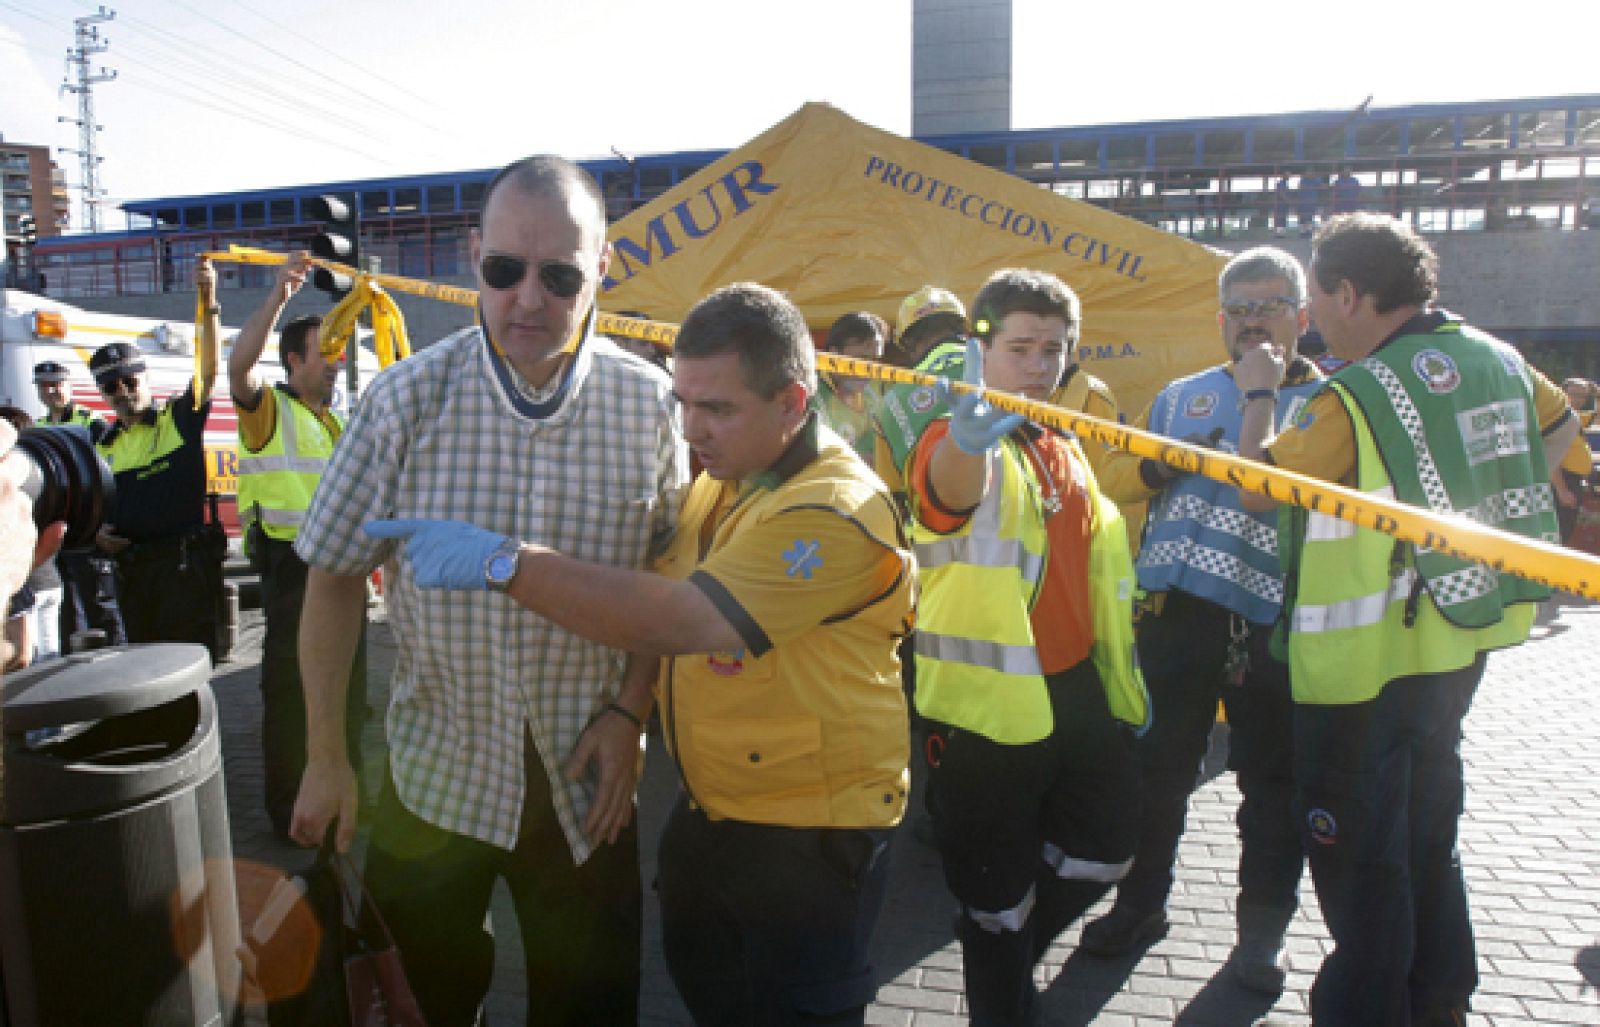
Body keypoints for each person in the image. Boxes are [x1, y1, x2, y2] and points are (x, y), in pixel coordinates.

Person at [355, 281, 914, 1026]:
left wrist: (508, 562)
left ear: (792, 402)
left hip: (811, 839)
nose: (690, 427)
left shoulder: (835, 508)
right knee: (716, 998)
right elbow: (654, 574)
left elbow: (678, 616)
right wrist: (627, 710)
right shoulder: (731, 480)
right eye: (682, 402)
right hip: (716, 815)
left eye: (716, 407)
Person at [289, 154, 688, 1027]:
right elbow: (332, 577)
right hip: (438, 770)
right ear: (473, 255)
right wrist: (327, 753)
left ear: (604, 268)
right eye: (504, 270)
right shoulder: (404, 401)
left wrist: (631, 711)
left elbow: (666, 582)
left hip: (587, 783)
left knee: (587, 1008)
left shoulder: (652, 407)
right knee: (420, 1001)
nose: (528, 299)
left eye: (561, 275)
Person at [1236, 214, 1577, 1025]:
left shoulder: (1355, 394)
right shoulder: (1498, 357)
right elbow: (1562, 431)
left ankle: (1368, 1008)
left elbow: (1255, 485)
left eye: (1315, 299)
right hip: (1461, 642)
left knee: (1360, 854)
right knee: (1431, 833)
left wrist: (1258, 390)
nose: (1310, 318)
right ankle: (1442, 996)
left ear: (1349, 292)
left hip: (1362, 667)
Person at [907, 268, 1147, 1025]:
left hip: (1072, 690)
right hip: (984, 709)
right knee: (996, 906)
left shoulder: (1062, 442)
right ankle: (1002, 994)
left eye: (1054, 350)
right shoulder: (955, 436)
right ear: (981, 348)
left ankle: (1003, 957)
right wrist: (966, 440)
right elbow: (946, 493)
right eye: (1021, 348)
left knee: (1110, 849)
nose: (1040, 367)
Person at [1082, 247, 1321, 993]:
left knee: (1271, 785)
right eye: (1241, 308)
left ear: (1302, 317)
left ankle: (1260, 937)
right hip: (1178, 614)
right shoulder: (1180, 394)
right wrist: (1162, 462)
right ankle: (1142, 906)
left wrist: (1264, 397)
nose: (1254, 320)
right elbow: (1117, 477)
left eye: (1271, 305)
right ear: (1220, 318)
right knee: (1158, 774)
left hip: (1276, 624)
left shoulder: (1327, 402)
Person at [228, 251, 368, 840]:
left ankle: (346, 787)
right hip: (292, 570)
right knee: (291, 691)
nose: (336, 366)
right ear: (292, 361)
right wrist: (277, 298)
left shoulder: (335, 423)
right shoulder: (270, 411)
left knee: (349, 684)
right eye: (326, 356)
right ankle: (291, 809)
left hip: (339, 570)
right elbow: (237, 370)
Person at [91, 259, 223, 658]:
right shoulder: (103, 445)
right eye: (112, 387)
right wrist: (95, 535)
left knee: (185, 670)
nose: (123, 392)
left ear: (146, 380)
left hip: (181, 572)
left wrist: (208, 299)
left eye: (130, 381)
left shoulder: (177, 420)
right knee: (143, 674)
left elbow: (210, 368)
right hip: (133, 575)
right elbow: (85, 512)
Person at [33, 360, 123, 649]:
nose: (50, 391)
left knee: (102, 608)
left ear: (69, 386)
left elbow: (107, 477)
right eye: (44, 386)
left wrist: (99, 524)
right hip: (60, 535)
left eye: (56, 384)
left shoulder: (91, 422)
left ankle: (117, 665)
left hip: (88, 533)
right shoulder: (40, 426)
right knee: (69, 613)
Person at [872, 285, 969, 500]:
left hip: (930, 527)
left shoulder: (888, 402)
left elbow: (890, 491)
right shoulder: (1000, 366)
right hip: (1008, 519)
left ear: (907, 343)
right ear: (962, 328)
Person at [816, 310, 889, 461]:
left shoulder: (877, 391)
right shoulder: (810, 393)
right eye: (861, 359)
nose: (869, 370)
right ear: (833, 355)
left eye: (875, 360)